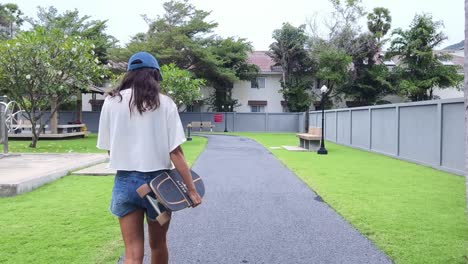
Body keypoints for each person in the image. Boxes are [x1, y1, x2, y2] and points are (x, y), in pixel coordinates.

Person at [97, 51, 202, 264]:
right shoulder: (165, 104)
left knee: (132, 253)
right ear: (155, 75)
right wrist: (191, 190)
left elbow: (109, 149)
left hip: (125, 185)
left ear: (129, 75)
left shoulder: (111, 103)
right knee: (158, 244)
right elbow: (176, 152)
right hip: (158, 188)